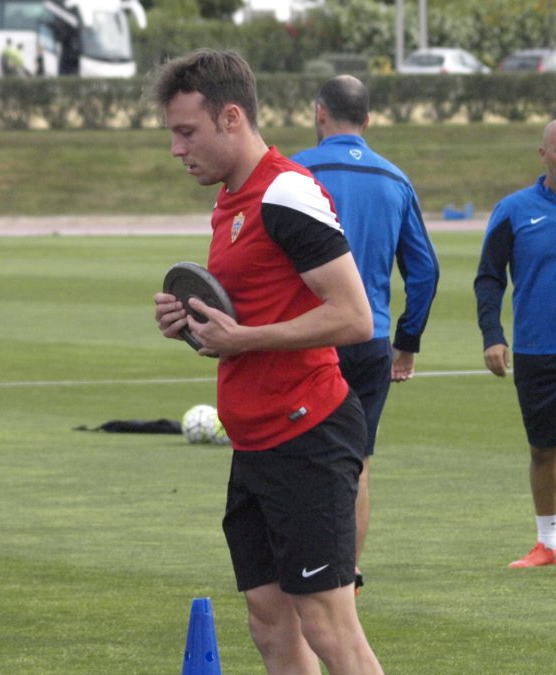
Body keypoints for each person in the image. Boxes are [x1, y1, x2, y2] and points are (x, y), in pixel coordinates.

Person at [151, 50, 382, 674]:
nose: (177, 148)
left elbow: (354, 317)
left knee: (330, 628)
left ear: (231, 117)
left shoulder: (286, 192)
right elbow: (247, 315)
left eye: (186, 131)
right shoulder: (231, 200)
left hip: (307, 433)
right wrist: (192, 326)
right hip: (255, 443)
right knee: (269, 620)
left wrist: (242, 339)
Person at [290, 75, 440, 590]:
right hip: (370, 340)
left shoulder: (295, 173)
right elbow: (424, 271)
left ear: (320, 114)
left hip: (307, 338)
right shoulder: (395, 179)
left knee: (297, 454)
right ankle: (347, 571)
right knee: (358, 460)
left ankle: (301, 565)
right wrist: (408, 341)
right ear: (368, 121)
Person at [475, 116, 556, 575]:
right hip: (536, 351)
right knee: (543, 449)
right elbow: (489, 277)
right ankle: (547, 543)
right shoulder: (514, 210)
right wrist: (492, 335)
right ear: (543, 154)